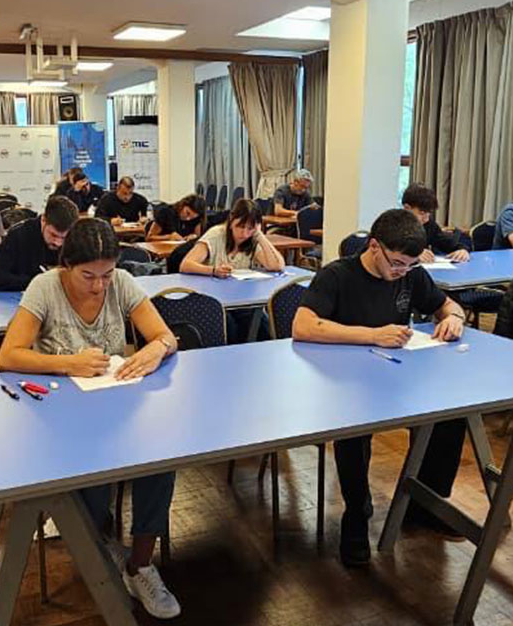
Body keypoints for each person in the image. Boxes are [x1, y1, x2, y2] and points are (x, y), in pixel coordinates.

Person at [0, 218, 181, 618]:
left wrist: (156, 349)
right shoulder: (44, 287)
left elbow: (165, 336)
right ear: (66, 265)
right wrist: (68, 362)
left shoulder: (122, 283)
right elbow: (8, 355)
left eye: (107, 274)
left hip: (116, 409)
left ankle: (140, 565)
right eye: (88, 276)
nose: (99, 286)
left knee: (161, 464)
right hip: (62, 417)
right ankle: (99, 544)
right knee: (92, 486)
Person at [291, 209, 468, 566]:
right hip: (343, 382)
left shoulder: (411, 275)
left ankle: (424, 504)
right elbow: (303, 326)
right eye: (397, 263)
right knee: (354, 429)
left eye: (409, 265)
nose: (402, 271)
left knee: (451, 416)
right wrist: (372, 335)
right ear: (374, 247)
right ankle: (357, 512)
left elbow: (446, 304)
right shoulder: (337, 276)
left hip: (395, 377)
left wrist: (454, 318)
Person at [180, 198, 285, 340]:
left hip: (243, 299)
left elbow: (277, 266)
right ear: (231, 221)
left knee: (262, 325)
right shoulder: (216, 234)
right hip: (213, 299)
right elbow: (186, 264)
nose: (244, 233)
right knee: (229, 326)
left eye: (250, 228)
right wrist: (213, 270)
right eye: (240, 227)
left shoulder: (252, 240)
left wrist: (260, 236)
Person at [0, 196, 80, 291]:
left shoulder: (75, 238)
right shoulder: (18, 236)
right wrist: (35, 282)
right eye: (53, 235)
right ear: (43, 220)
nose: (58, 243)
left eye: (64, 238)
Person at [402, 183, 469, 263]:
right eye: (422, 213)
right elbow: (393, 250)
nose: (426, 219)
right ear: (407, 208)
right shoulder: (393, 224)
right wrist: (413, 254)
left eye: (428, 214)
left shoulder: (429, 225)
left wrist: (462, 250)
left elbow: (447, 243)